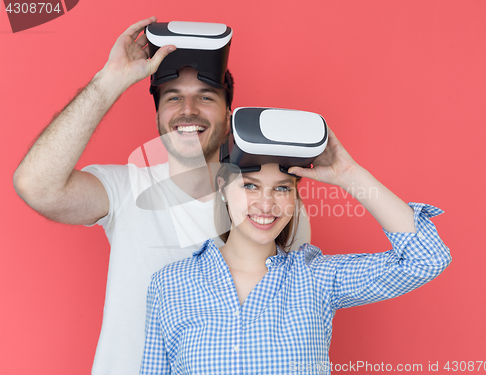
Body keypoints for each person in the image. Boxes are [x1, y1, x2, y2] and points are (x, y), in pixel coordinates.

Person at [12, 16, 312, 375]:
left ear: (229, 113)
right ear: (157, 113)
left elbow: (295, 327)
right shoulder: (124, 189)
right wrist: (112, 79)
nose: (188, 111)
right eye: (173, 98)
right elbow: (36, 185)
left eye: (205, 96)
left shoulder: (269, 208)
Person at [139, 126, 452, 374]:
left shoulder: (316, 278)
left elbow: (426, 259)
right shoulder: (169, 285)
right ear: (222, 188)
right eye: (250, 185)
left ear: (294, 197)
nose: (266, 204)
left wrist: (350, 175)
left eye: (282, 188)